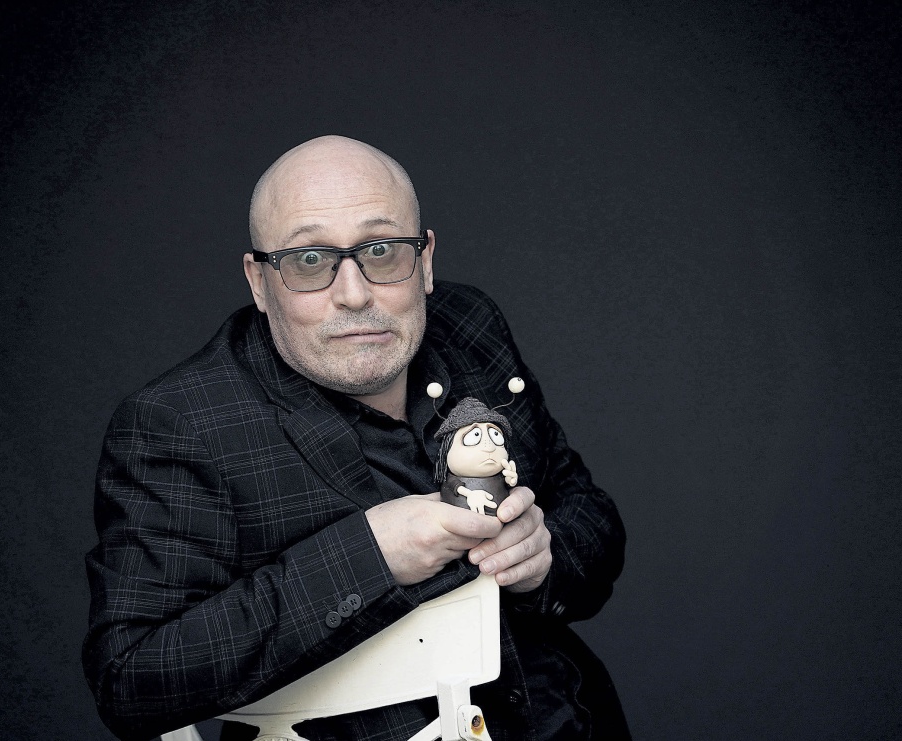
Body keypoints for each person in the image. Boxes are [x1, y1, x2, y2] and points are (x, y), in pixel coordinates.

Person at [83, 135, 629, 741]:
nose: (354, 294)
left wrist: (542, 556)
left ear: (425, 261)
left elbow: (588, 512)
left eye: (381, 251)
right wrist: (372, 555)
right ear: (259, 281)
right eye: (308, 260)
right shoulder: (180, 420)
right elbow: (131, 682)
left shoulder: (468, 326)